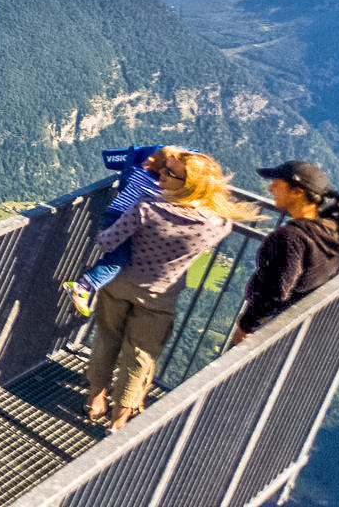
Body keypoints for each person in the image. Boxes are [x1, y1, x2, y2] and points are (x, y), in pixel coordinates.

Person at [84, 151, 257, 431]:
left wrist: (108, 232)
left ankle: (96, 399)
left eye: (168, 173)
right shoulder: (218, 225)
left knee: (107, 340)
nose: (160, 175)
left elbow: (107, 241)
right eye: (163, 169)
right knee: (138, 357)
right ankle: (118, 423)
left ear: (188, 184)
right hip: (160, 295)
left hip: (120, 284)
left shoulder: (147, 208)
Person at [229, 161, 339, 345]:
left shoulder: (290, 238)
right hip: (295, 326)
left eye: (277, 184)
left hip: (269, 327)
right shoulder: (333, 231)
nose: (270, 188)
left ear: (298, 192)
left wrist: (245, 327)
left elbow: (276, 291)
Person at [67, 145, 177, 316]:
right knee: (117, 261)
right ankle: (84, 286)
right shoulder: (156, 187)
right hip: (121, 219)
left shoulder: (139, 171)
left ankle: (91, 285)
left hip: (112, 213)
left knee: (118, 256)